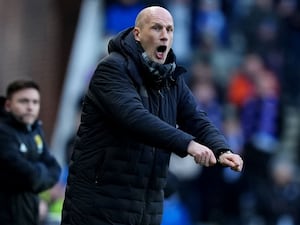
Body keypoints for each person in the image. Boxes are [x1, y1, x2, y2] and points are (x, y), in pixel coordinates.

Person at [60, 6, 243, 225]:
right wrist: (189, 145)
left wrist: (221, 149)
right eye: (157, 28)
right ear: (137, 34)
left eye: (169, 29)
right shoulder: (112, 69)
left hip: (145, 209)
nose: (165, 35)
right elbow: (135, 119)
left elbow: (196, 117)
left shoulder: (172, 78)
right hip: (99, 206)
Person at [0, 79, 61, 225]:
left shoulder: (35, 130)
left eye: (35, 102)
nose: (30, 107)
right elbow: (24, 173)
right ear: (8, 105)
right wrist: (40, 174)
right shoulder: (3, 133)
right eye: (24, 101)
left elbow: (55, 169)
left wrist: (36, 177)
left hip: (29, 213)